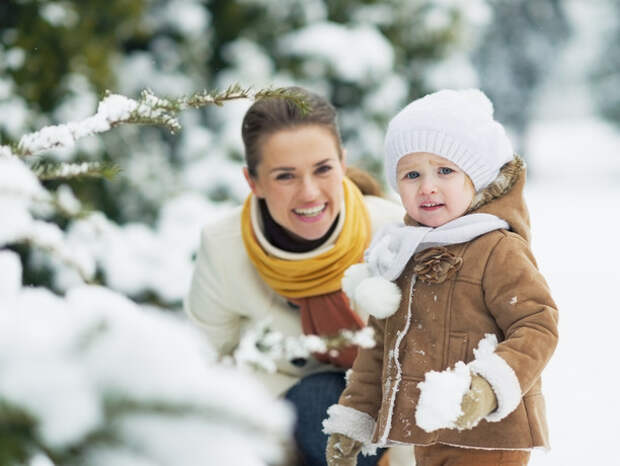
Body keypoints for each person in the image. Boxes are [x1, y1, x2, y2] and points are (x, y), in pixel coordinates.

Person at [323, 89, 559, 466]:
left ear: (476, 178)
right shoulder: (404, 253)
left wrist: (488, 387)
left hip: (490, 435)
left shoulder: (497, 248)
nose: (427, 187)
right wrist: (354, 421)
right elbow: (380, 348)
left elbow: (537, 325)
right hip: (428, 431)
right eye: (411, 174)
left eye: (445, 171)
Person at [184, 87, 410, 465]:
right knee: (319, 400)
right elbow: (202, 365)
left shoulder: (392, 232)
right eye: (285, 176)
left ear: (342, 161)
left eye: (322, 169)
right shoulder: (224, 249)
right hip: (287, 414)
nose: (309, 194)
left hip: (390, 415)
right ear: (253, 181)